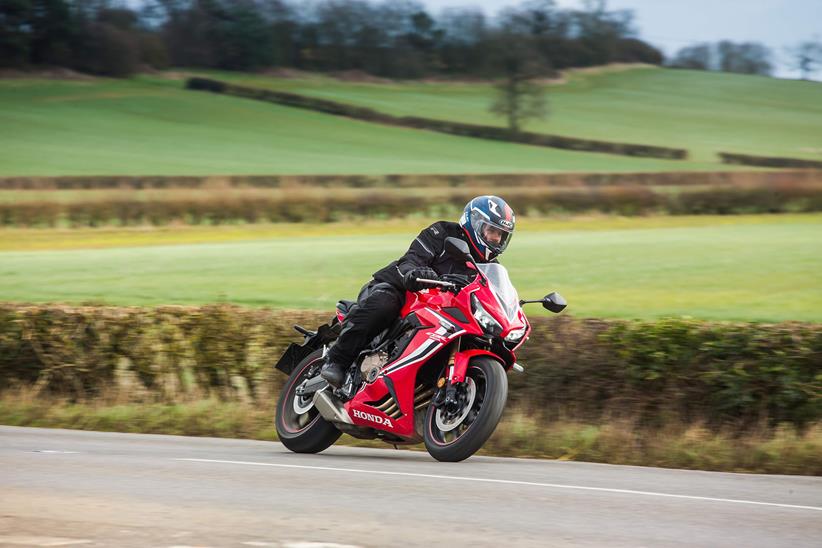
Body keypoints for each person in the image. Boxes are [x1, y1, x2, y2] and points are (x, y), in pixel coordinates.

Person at [320, 195, 516, 387]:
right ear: (474, 222)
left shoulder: (488, 266)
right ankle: (337, 359)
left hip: (441, 311)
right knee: (384, 305)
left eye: (501, 235)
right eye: (492, 230)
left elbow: (490, 294)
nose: (496, 238)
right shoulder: (441, 232)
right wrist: (414, 273)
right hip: (402, 290)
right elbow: (411, 259)